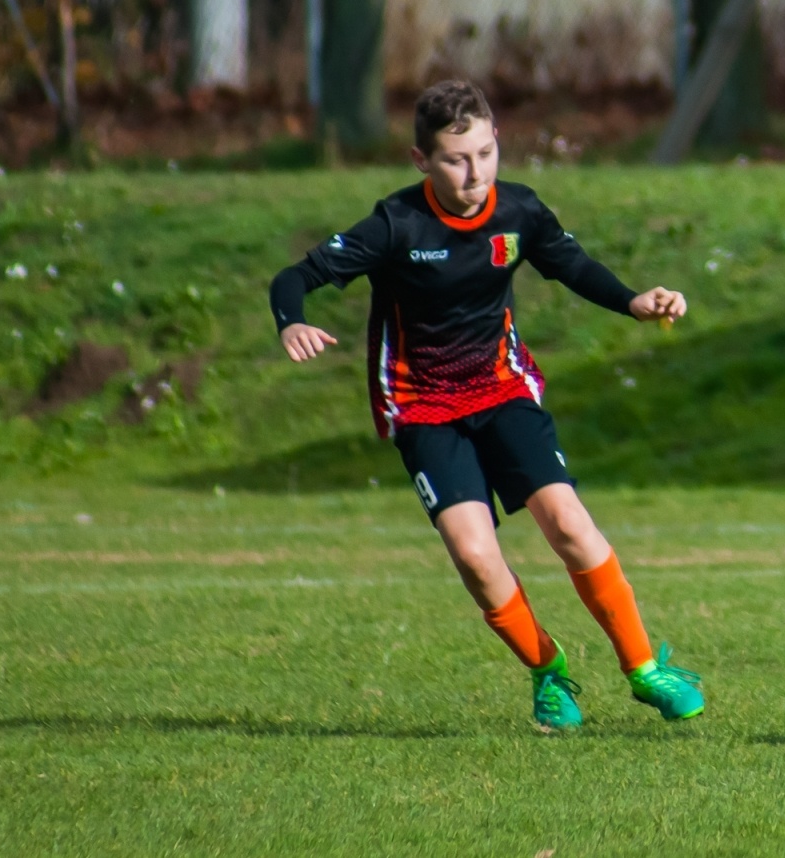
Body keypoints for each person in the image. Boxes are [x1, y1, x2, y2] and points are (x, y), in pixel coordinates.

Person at [268, 79, 703, 732]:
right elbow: (296, 275)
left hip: (502, 390)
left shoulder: (519, 213)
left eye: (482, 154)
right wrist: (290, 321)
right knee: (473, 553)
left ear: (496, 140)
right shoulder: (397, 224)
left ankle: (645, 669)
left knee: (570, 525)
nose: (473, 173)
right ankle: (548, 672)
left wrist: (636, 300)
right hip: (421, 405)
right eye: (453, 159)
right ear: (422, 161)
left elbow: (572, 265)